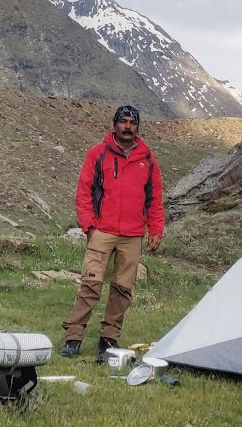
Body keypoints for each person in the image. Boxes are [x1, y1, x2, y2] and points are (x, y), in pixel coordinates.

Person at [61, 105, 165, 361]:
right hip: (102, 232)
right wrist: (89, 227)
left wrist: (156, 229)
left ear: (137, 127)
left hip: (132, 235)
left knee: (122, 289)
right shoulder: (97, 154)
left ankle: (108, 338)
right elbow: (84, 192)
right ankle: (73, 337)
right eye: (123, 122)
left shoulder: (147, 159)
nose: (128, 126)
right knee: (90, 284)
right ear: (114, 125)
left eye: (132, 122)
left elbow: (154, 200)